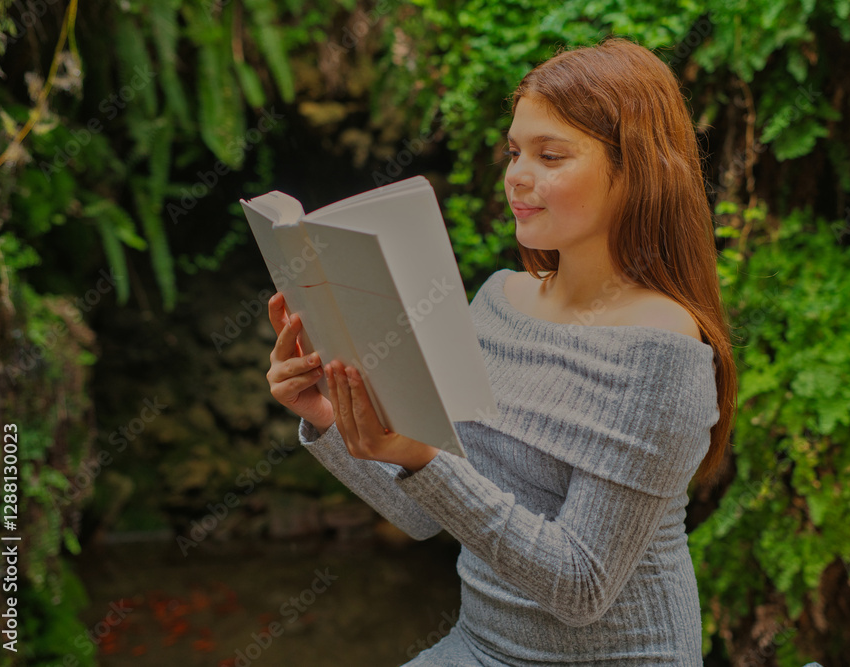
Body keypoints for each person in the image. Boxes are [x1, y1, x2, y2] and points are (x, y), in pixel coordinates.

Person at [265, 36, 737, 666]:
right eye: (515, 152)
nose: (518, 176)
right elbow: (424, 511)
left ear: (635, 170)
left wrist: (425, 458)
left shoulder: (662, 355)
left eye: (551, 155)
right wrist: (326, 410)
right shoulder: (496, 303)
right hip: (482, 648)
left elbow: (581, 586)